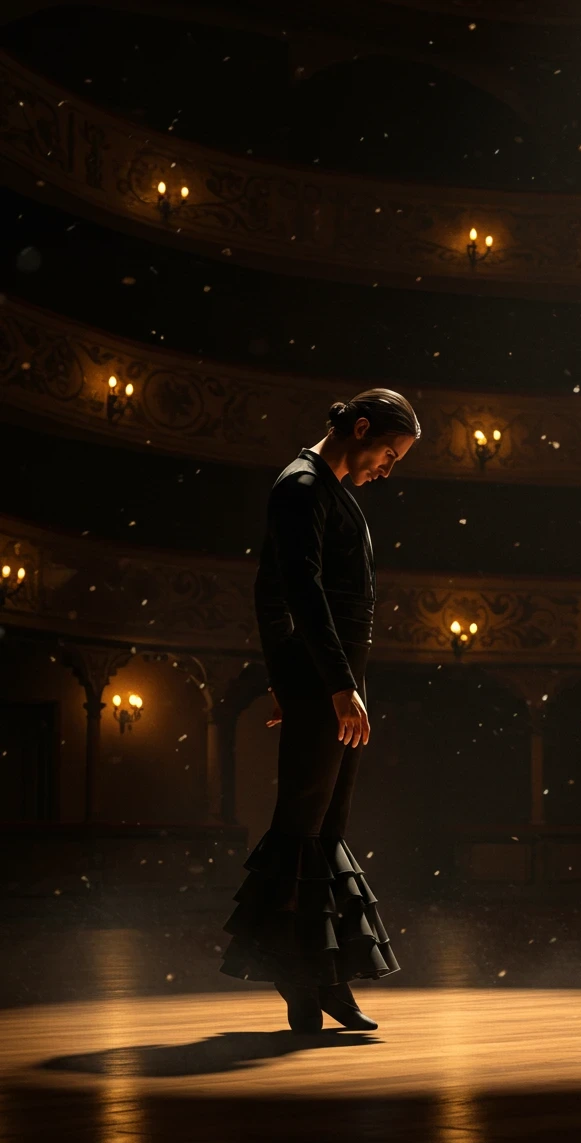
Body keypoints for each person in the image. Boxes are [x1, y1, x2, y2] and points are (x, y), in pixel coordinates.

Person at [219, 389, 420, 1031]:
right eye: (389, 454)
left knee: (325, 828)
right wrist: (327, 684)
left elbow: (280, 593)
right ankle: (299, 974)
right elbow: (289, 593)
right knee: (302, 827)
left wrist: (320, 681)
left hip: (333, 679)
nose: (387, 469)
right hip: (328, 681)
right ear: (360, 429)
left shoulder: (329, 491)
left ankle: (323, 974)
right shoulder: (301, 486)